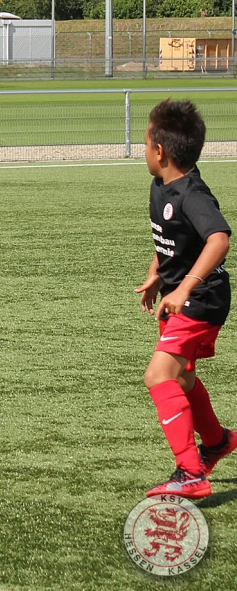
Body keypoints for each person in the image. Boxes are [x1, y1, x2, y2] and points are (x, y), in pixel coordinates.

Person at [135, 98, 237, 498]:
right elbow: (173, 243)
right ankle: (216, 441)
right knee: (183, 378)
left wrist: (184, 286)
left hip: (203, 299)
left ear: (159, 152)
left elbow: (219, 239)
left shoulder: (192, 194)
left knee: (158, 376)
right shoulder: (161, 185)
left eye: (145, 143)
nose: (144, 150)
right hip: (181, 296)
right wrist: (156, 274)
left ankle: (190, 471)